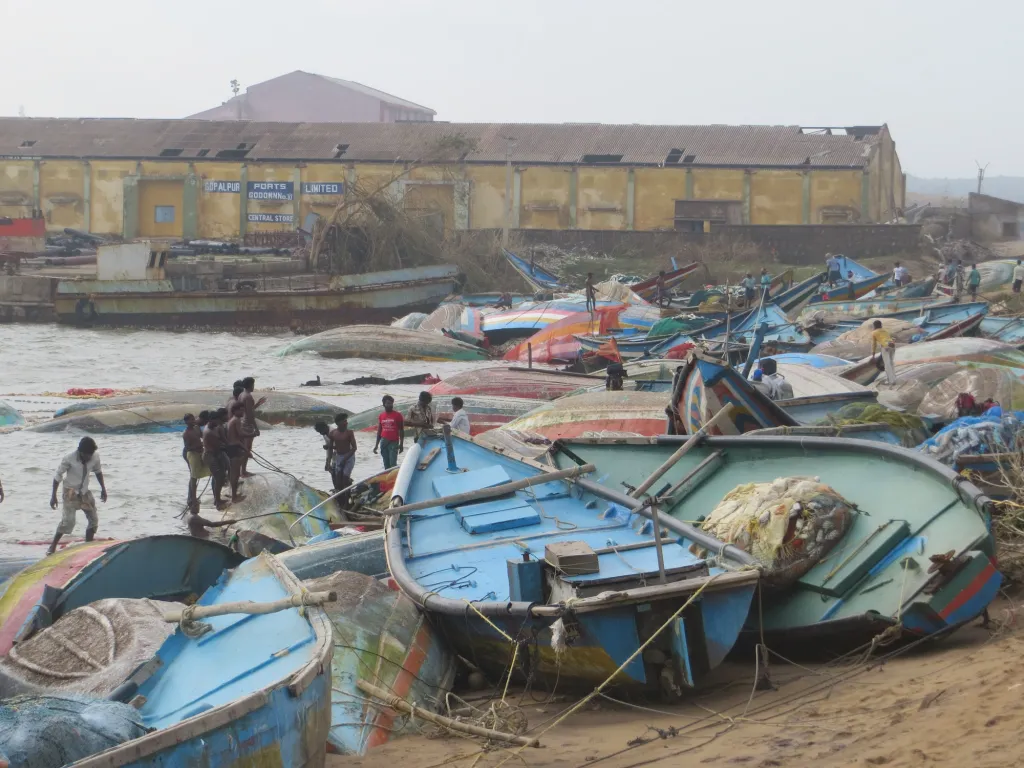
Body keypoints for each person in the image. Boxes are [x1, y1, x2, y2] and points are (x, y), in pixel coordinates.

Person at [48, 437, 107, 555]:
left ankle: (88, 546)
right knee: (68, 523)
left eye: (91, 454)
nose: (89, 457)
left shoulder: (95, 456)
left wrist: (103, 489)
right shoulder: (69, 459)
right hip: (70, 493)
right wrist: (53, 496)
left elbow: (98, 472)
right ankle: (53, 545)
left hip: (84, 492)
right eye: (87, 455)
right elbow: (58, 477)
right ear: (80, 452)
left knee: (94, 520)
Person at [238, 376, 266, 477]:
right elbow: (250, 415)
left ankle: (241, 470)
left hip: (241, 423)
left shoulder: (242, 394)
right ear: (250, 385)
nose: (254, 386)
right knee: (247, 449)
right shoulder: (248, 396)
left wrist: (258, 403)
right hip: (247, 424)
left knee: (244, 448)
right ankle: (243, 471)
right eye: (253, 384)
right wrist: (256, 428)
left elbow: (247, 409)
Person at [202, 411, 229, 510]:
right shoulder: (209, 432)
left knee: (219, 478)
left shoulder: (215, 427)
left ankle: (217, 499)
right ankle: (217, 502)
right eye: (216, 420)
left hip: (216, 454)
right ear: (210, 420)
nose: (218, 422)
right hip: (211, 456)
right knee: (219, 479)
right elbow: (218, 446)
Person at [182, 414, 208, 512]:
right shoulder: (186, 433)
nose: (193, 421)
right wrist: (198, 447)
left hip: (199, 452)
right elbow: (188, 447)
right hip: (191, 454)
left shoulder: (197, 428)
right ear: (186, 422)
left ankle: (192, 497)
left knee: (198, 474)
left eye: (194, 419)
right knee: (193, 476)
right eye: (190, 420)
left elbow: (202, 436)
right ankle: (192, 498)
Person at [224, 403, 248, 502]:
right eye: (241, 410)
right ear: (234, 411)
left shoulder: (232, 420)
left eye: (243, 410)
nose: (243, 412)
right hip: (234, 449)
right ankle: (234, 497)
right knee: (235, 474)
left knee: (233, 473)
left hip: (231, 448)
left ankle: (233, 493)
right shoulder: (236, 420)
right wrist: (252, 433)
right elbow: (241, 434)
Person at [374, 396, 405, 470]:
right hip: (384, 442)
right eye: (388, 403)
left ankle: (394, 480)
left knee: (393, 463)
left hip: (394, 442)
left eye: (391, 403)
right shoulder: (381, 415)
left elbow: (401, 430)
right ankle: (388, 480)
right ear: (384, 404)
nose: (390, 405)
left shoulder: (398, 415)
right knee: (386, 463)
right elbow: (379, 431)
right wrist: (376, 445)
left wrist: (401, 444)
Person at [328, 413, 357, 491]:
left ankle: (347, 501)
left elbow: (354, 448)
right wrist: (329, 462)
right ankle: (341, 499)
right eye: (344, 421)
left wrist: (345, 459)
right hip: (339, 457)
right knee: (338, 482)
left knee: (345, 479)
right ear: (338, 423)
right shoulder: (333, 433)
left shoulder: (349, 432)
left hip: (349, 457)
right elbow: (331, 448)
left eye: (346, 421)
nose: (346, 423)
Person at [871, 320, 897, 385]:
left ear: (874, 326)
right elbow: (889, 338)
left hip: (885, 347)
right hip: (892, 346)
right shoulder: (885, 331)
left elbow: (874, 344)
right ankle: (894, 379)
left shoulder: (874, 332)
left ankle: (890, 381)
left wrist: (873, 354)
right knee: (891, 363)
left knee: (887, 364)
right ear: (881, 325)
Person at [314, 421, 336, 485]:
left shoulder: (334, 432)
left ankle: (344, 486)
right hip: (335, 454)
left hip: (344, 453)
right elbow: (329, 448)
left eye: (321, 431)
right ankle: (336, 489)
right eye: (319, 432)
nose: (321, 433)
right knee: (330, 470)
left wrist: (329, 447)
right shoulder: (324, 433)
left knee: (338, 473)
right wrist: (328, 461)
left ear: (325, 427)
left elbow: (339, 447)